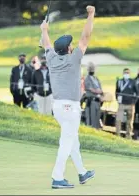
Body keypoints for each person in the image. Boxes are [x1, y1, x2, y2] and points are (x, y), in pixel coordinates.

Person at [40, 5, 96, 189]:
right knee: (66, 142)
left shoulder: (52, 58)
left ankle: (82, 173)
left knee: (73, 141)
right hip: (70, 108)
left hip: (58, 107)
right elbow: (85, 37)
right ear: (69, 49)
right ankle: (57, 177)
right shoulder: (74, 59)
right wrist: (91, 14)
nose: (73, 45)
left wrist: (44, 30)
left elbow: (46, 43)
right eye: (71, 45)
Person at [115, 68, 139, 139]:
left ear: (129, 73)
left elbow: (137, 93)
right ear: (123, 73)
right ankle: (117, 134)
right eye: (125, 73)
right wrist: (118, 99)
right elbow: (116, 91)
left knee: (129, 121)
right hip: (121, 103)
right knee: (118, 119)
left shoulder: (133, 82)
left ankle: (128, 135)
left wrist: (134, 102)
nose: (126, 74)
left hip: (130, 104)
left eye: (128, 73)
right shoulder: (119, 81)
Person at [84, 62, 103, 129]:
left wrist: (99, 92)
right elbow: (91, 89)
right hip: (91, 101)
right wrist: (97, 91)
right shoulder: (87, 79)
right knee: (91, 119)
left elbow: (100, 89)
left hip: (98, 101)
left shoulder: (96, 79)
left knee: (97, 119)